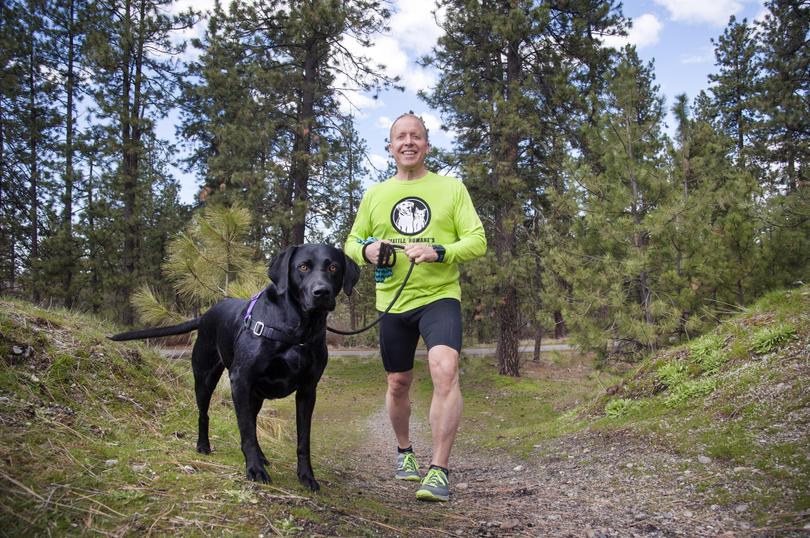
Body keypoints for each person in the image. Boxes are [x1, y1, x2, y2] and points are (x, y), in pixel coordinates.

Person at [344, 112, 487, 502]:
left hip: (439, 296)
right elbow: (351, 242)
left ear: (427, 145)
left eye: (416, 136)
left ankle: (438, 469)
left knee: (445, 369)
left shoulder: (451, 189)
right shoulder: (375, 195)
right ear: (391, 147)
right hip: (392, 301)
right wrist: (367, 251)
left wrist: (439, 251)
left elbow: (477, 240)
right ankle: (405, 451)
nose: (408, 142)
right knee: (398, 383)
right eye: (401, 137)